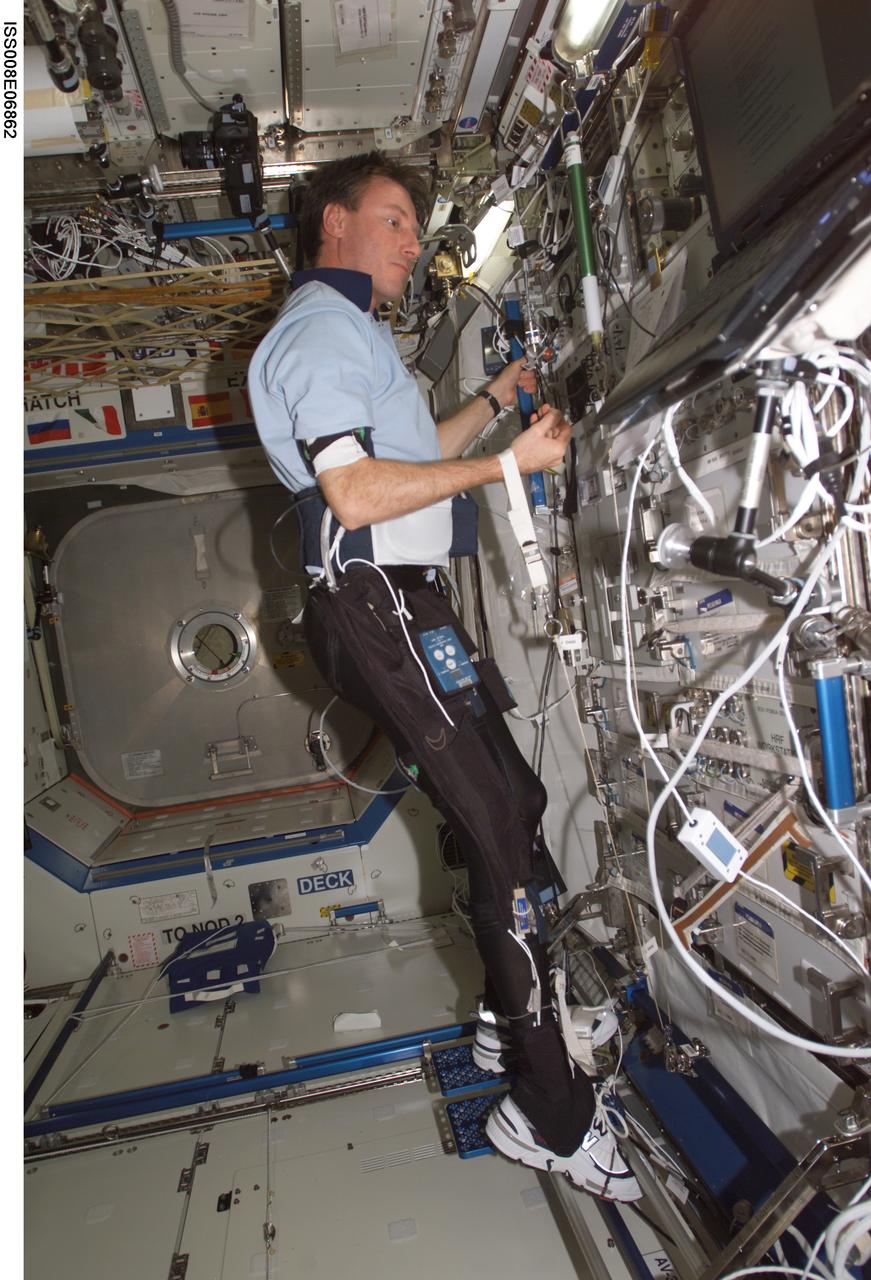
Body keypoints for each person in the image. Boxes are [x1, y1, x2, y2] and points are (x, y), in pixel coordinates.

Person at [248, 152, 640, 1202]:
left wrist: (495, 403)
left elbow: (409, 450)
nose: (413, 241)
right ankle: (548, 1113)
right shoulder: (320, 330)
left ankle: (509, 1009)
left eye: (415, 225)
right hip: (376, 604)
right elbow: (361, 489)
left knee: (513, 798)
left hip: (405, 605)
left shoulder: (354, 335)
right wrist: (511, 465)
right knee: (505, 841)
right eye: (395, 220)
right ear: (334, 223)